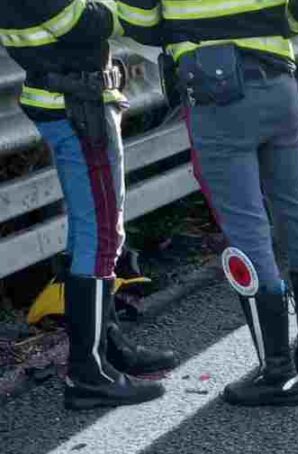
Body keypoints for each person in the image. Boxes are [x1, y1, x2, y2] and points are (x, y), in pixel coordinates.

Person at [120, 0, 298, 407]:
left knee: (247, 229)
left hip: (217, 96)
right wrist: (275, 22)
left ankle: (277, 372)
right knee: (295, 210)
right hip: (279, 84)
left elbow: (139, 24)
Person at [0, 1, 179, 410]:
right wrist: (123, 8)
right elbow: (82, 21)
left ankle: (106, 347)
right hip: (75, 104)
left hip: (75, 98)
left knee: (94, 231)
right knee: (99, 234)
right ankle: (89, 372)